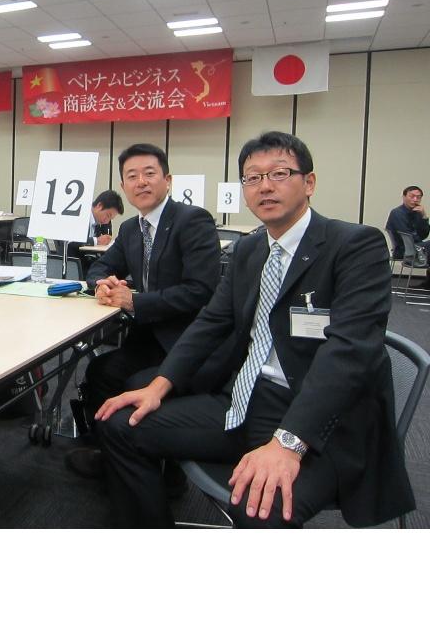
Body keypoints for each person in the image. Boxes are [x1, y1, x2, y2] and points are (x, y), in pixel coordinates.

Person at [94, 131, 415, 529]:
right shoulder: (249, 249)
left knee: (258, 507)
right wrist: (158, 386)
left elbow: (348, 353)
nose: (265, 186)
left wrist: (288, 442)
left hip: (321, 420)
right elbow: (212, 322)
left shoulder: (354, 246)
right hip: (245, 399)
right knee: (119, 425)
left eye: (279, 173)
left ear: (309, 183)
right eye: (253, 177)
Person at [66, 143, 221, 481]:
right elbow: (101, 266)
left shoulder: (192, 220)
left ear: (168, 180)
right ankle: (111, 454)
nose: (141, 182)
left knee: (129, 380)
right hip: (147, 337)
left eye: (149, 173)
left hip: (186, 342)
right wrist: (101, 283)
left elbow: (201, 290)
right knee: (100, 371)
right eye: (132, 176)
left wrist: (135, 302)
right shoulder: (130, 229)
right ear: (123, 187)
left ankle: (161, 472)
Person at [67, 189, 125, 275]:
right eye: (108, 215)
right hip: (76, 264)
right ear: (99, 205)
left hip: (90, 262)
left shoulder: (100, 221)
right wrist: (96, 241)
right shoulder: (80, 214)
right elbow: (71, 242)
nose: (107, 221)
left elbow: (107, 236)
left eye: (110, 218)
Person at [386, 186, 430, 287]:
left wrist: (424, 216)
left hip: (415, 247)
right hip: (404, 250)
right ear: (404, 197)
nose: (415, 199)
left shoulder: (417, 212)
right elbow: (407, 235)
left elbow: (424, 234)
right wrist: (420, 241)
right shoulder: (397, 213)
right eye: (412, 196)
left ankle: (427, 283)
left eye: (418, 197)